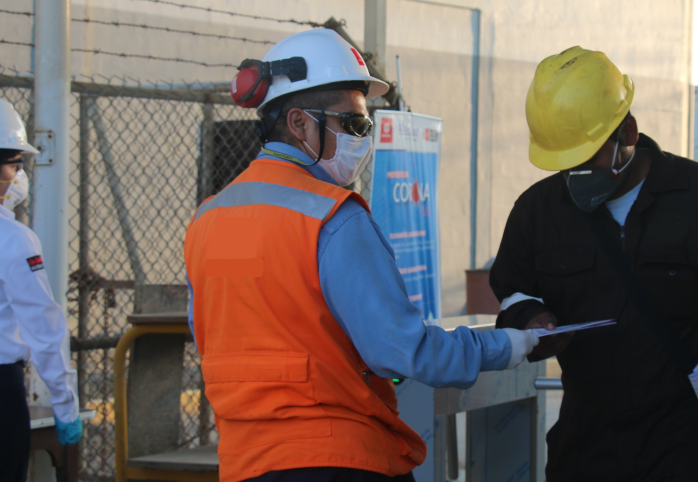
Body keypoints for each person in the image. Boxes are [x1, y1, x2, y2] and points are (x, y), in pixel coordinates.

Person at [184, 29, 538, 482]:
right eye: (353, 124)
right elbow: (401, 351)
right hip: (341, 458)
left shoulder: (208, 220)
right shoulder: (332, 216)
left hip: (244, 464)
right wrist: (507, 344)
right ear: (298, 123)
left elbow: (212, 334)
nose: (363, 137)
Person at [490, 47, 698, 481]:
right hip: (585, 448)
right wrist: (529, 318)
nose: (574, 175)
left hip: (687, 448)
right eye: (564, 163)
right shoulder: (538, 210)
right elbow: (514, 290)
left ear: (627, 132)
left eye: (586, 157)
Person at [0, 99, 82, 482]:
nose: (18, 175)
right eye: (15, 163)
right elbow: (45, 329)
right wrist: (65, 407)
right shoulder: (14, 239)